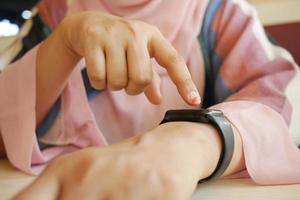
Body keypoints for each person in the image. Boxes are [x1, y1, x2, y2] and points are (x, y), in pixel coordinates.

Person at [0, 0, 299, 199]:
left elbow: (283, 103)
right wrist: (63, 44)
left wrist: (193, 141)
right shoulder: (53, 14)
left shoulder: (221, 13)